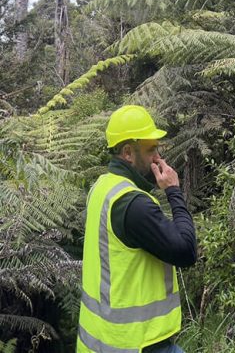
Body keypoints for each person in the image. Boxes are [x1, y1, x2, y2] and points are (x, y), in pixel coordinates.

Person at [77, 105, 197, 353]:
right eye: (152, 148)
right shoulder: (133, 204)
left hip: (101, 342)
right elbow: (186, 251)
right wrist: (173, 191)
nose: (158, 157)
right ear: (128, 153)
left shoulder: (101, 187)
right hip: (138, 344)